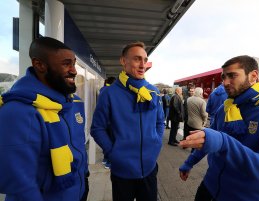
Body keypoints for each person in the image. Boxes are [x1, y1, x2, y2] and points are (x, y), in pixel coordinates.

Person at [179, 55, 259, 201]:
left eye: (232, 76)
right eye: (223, 77)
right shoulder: (225, 107)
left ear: (253, 75)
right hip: (209, 188)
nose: (225, 82)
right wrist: (189, 162)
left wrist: (224, 142)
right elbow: (209, 142)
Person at [0, 37, 89, 201]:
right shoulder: (17, 112)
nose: (74, 70)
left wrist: (84, 175)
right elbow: (19, 184)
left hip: (78, 192)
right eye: (66, 63)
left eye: (74, 63)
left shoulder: (74, 102)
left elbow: (78, 144)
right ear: (39, 65)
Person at [91, 41, 165, 201]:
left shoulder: (153, 91)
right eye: (137, 59)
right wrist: (113, 152)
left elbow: (160, 122)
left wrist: (156, 143)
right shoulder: (109, 93)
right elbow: (97, 128)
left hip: (150, 167)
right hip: (122, 171)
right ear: (123, 61)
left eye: (145, 60)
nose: (142, 65)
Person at [99, 76, 116, 169]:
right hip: (110, 121)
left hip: (104, 120)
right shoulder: (110, 91)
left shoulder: (103, 89)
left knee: (106, 139)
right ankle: (109, 162)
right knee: (111, 141)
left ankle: (105, 159)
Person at [186, 87, 208, 152]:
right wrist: (205, 121)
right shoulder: (202, 102)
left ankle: (191, 148)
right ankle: (193, 152)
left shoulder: (189, 99)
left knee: (191, 136)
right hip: (197, 124)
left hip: (189, 122)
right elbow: (204, 114)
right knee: (196, 140)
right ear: (200, 93)